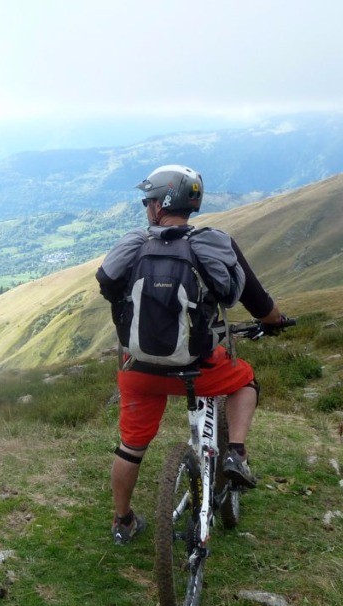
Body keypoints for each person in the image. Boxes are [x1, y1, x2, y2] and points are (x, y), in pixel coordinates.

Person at [96, 165, 287, 545]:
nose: (145, 206)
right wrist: (275, 321)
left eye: (148, 200)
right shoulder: (214, 244)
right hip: (197, 369)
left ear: (161, 204)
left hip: (139, 370)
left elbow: (106, 283)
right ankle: (235, 453)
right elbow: (255, 300)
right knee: (246, 380)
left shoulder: (133, 245)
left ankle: (123, 522)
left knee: (131, 447)